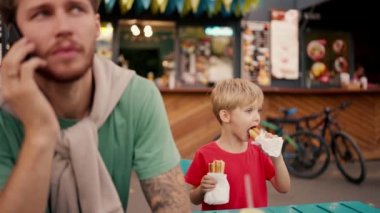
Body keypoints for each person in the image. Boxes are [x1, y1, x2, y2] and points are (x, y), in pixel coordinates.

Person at [0, 0, 190, 212]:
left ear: (96, 25)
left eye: (76, 9)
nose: (63, 28)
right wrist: (40, 134)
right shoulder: (3, 112)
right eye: (42, 14)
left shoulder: (135, 95)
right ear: (15, 35)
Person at [185, 78, 290, 211]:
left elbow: (284, 188)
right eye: (249, 110)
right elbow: (193, 198)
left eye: (259, 110)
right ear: (225, 116)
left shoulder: (258, 151)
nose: (257, 117)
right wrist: (201, 189)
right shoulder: (205, 154)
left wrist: (277, 157)